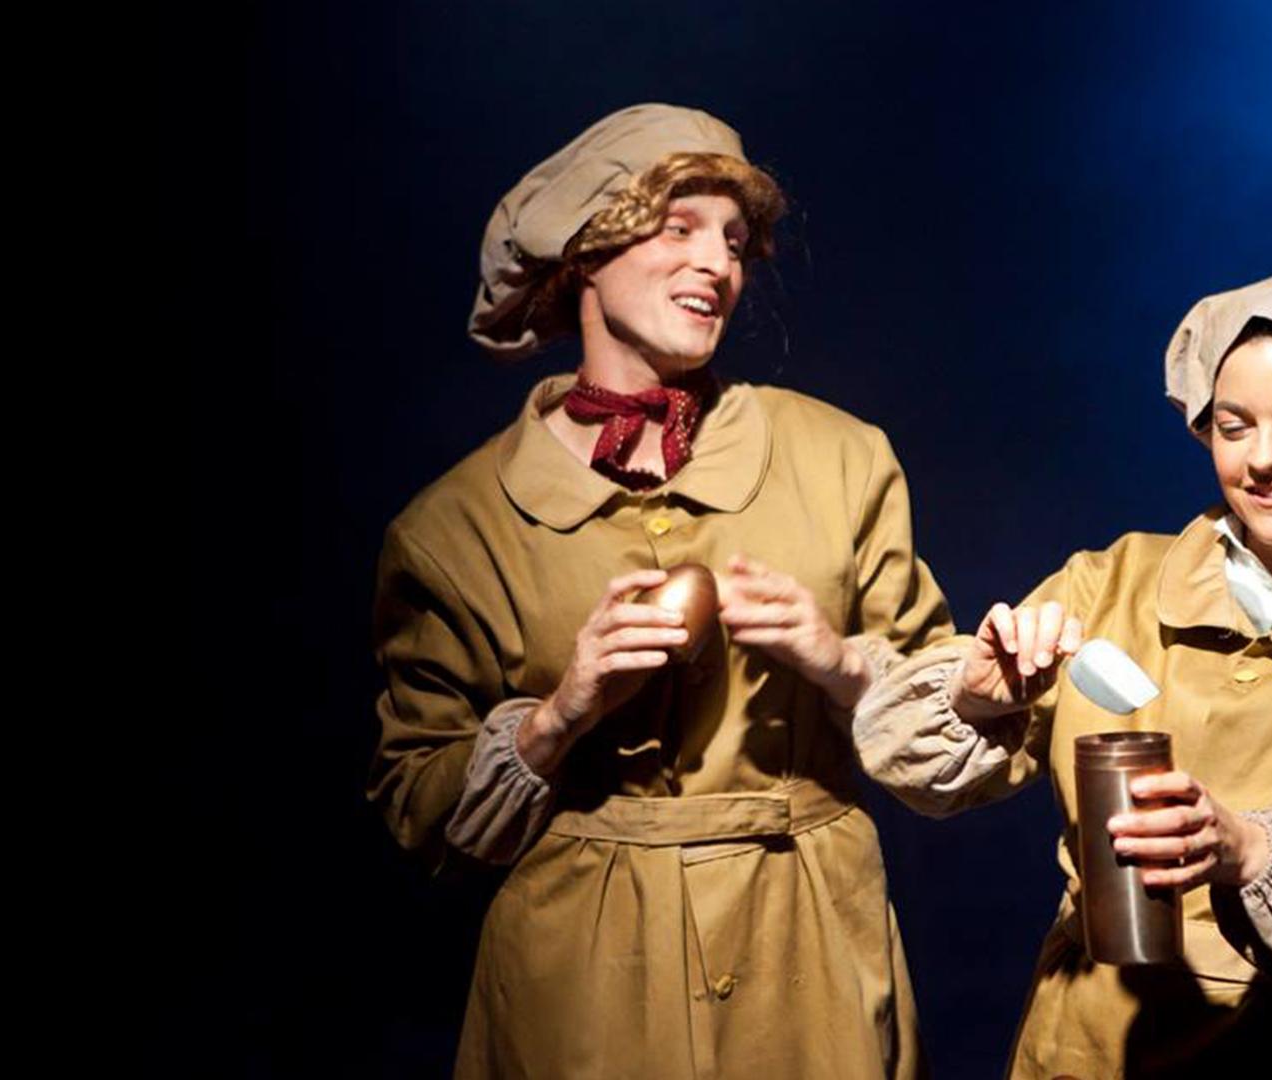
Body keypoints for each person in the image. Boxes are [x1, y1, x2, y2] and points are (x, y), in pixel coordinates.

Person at [367, 103, 952, 1079]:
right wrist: (557, 717)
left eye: (733, 240)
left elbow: (961, 734)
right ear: (585, 255)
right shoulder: (455, 526)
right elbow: (417, 812)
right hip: (584, 970)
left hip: (805, 954)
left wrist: (843, 662)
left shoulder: (841, 459)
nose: (717, 264)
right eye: (676, 228)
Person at [854, 269, 1272, 1077]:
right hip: (1097, 1041)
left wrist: (1250, 852)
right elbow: (920, 778)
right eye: (1234, 427)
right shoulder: (1115, 582)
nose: (1265, 459)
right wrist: (973, 697)